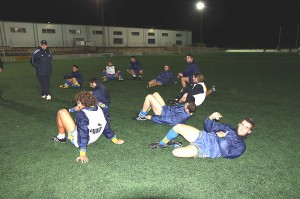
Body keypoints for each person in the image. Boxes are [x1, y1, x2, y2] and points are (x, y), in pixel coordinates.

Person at [52, 91, 124, 164]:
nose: (78, 104)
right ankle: (65, 134)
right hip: (93, 138)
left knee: (62, 112)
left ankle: (61, 137)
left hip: (79, 140)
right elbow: (106, 126)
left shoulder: (82, 114)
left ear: (82, 103)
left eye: (79, 102)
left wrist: (82, 154)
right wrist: (114, 139)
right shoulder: (101, 109)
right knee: (80, 118)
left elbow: (83, 133)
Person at [149, 112, 255, 159]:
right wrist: (210, 118)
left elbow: (226, 154)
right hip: (204, 136)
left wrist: (223, 138)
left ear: (249, 131)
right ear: (239, 124)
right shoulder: (228, 127)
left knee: (175, 153)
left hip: (206, 149)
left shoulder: (241, 145)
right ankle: (162, 143)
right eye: (242, 124)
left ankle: (178, 145)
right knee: (178, 126)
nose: (242, 127)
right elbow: (209, 128)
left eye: (246, 127)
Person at [88, 77, 124, 145]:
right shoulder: (101, 86)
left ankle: (113, 138)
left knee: (104, 122)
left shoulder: (97, 92)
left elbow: (91, 101)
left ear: (94, 83)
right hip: (104, 105)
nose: (90, 86)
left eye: (90, 84)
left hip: (100, 108)